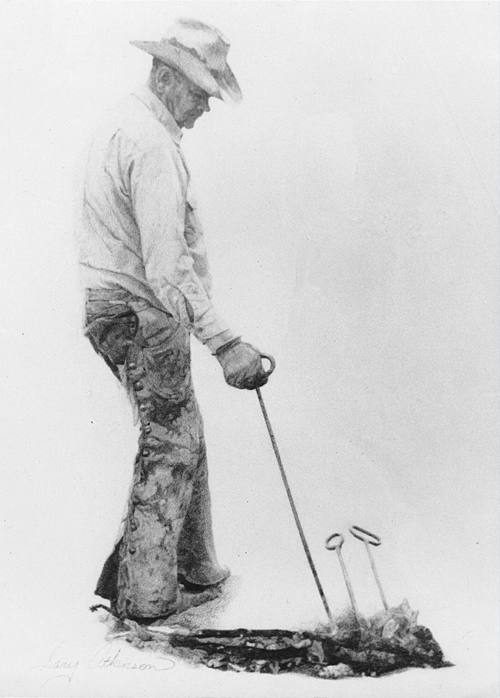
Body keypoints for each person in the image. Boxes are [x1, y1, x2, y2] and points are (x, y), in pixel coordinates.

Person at [75, 18, 274, 623]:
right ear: (164, 77)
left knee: (180, 431)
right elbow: (167, 268)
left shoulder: (127, 123)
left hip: (120, 308)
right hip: (141, 313)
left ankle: (194, 568)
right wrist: (226, 343)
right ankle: (146, 599)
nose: (205, 107)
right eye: (197, 92)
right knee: (170, 442)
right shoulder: (152, 145)